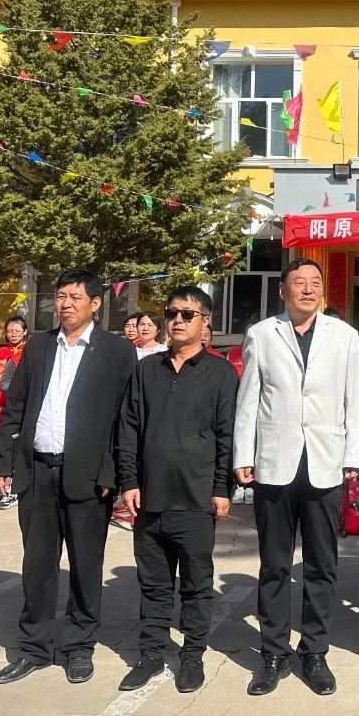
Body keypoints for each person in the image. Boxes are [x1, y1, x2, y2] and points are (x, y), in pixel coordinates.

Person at [0, 270, 137, 686]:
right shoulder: (38, 346)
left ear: (96, 303)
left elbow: (125, 418)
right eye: (60, 296)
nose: (66, 303)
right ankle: (34, 648)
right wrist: (4, 462)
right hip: (36, 471)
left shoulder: (116, 351)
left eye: (75, 296)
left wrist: (114, 472)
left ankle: (78, 646)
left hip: (89, 477)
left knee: (86, 565)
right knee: (37, 564)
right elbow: (15, 407)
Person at [233, 258, 359, 697]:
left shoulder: (343, 336)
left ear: (322, 290)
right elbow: (249, 398)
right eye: (299, 282)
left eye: (315, 282)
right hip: (274, 462)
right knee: (274, 564)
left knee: (321, 565)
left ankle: (315, 652)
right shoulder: (262, 334)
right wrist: (243, 454)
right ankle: (273, 652)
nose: (308, 289)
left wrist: (354, 456)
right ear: (283, 290)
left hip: (325, 462)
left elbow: (354, 400)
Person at [116, 286, 238, 695]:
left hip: (196, 498)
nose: (178, 320)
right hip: (149, 498)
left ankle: (192, 655)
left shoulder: (221, 373)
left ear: (205, 322)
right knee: (153, 584)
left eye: (188, 314)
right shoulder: (147, 370)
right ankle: (151, 654)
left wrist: (222, 487)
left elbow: (227, 435)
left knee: (196, 585)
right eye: (172, 313)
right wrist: (128, 481)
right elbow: (128, 428)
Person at [0, 316, 29, 510]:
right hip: (2, 403)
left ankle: (16, 487)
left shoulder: (30, 351)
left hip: (23, 407)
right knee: (1, 444)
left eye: (17, 331)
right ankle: (1, 482)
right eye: (10, 331)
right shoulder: (0, 353)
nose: (13, 335)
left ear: (25, 332)